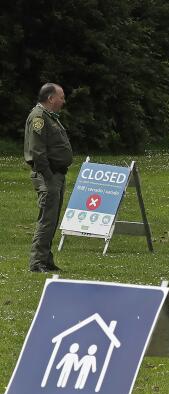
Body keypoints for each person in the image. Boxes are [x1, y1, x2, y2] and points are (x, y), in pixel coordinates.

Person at [24, 83, 73, 272]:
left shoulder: (49, 117)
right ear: (51, 98)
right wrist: (49, 177)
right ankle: (37, 263)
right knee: (46, 219)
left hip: (56, 174)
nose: (63, 100)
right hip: (48, 175)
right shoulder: (39, 117)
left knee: (52, 220)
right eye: (61, 97)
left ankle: (46, 259)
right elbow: (38, 152)